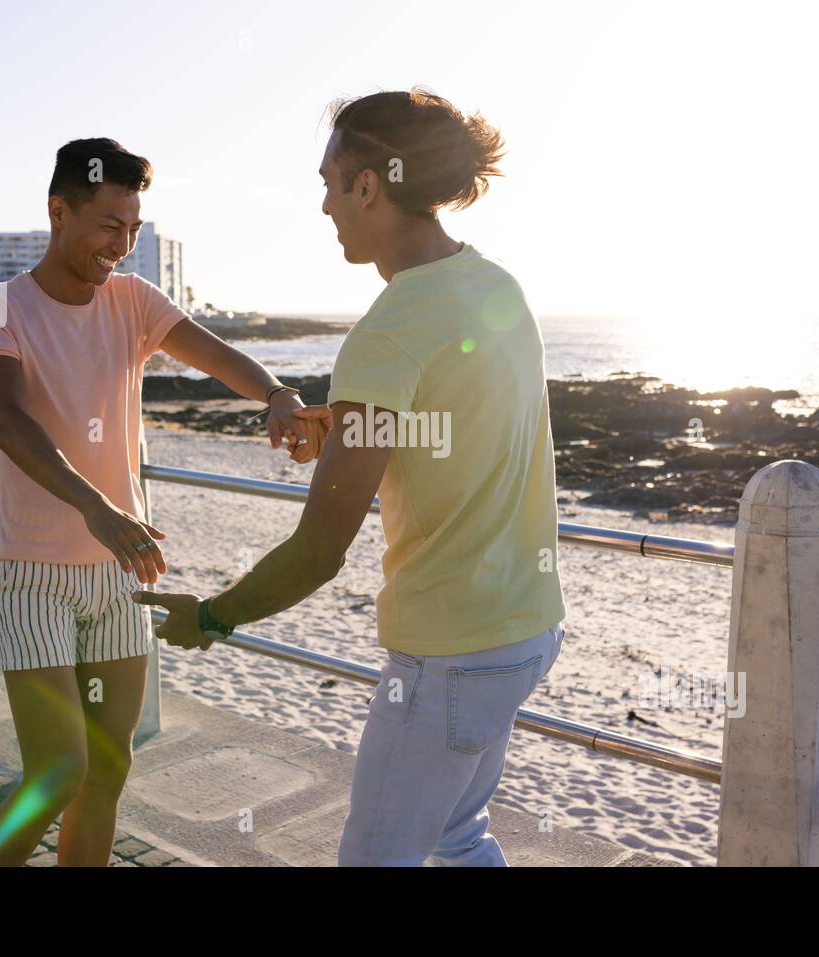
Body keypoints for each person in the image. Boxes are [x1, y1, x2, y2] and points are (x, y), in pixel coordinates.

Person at [135, 90, 567, 866]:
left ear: (369, 185)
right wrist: (344, 431)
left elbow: (320, 549)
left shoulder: (387, 329)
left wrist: (211, 617)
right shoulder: (494, 285)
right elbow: (464, 420)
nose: (324, 204)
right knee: (458, 838)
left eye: (331, 181)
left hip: (450, 651)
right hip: (526, 628)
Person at [0, 137, 325, 866]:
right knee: (57, 770)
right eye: (107, 226)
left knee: (109, 770)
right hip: (32, 571)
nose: (121, 247)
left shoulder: (133, 300)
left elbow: (216, 354)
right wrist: (96, 506)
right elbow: (10, 421)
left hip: (121, 570)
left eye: (132, 229)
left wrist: (277, 394)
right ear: (58, 211)